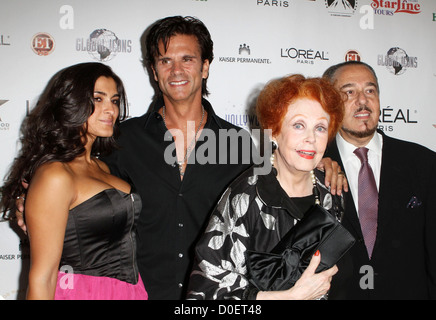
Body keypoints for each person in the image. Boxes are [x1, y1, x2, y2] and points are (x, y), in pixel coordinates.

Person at [14, 16, 346, 300]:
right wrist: (27, 204)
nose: (176, 69)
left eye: (187, 59)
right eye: (164, 60)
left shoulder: (245, 144)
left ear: (205, 67)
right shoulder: (121, 140)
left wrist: (323, 163)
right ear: (153, 72)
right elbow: (71, 178)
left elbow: (286, 180)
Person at [186, 74, 345, 300]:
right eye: (299, 125)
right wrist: (291, 297)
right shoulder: (245, 197)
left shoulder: (331, 192)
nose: (311, 138)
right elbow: (208, 293)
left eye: (320, 128)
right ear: (275, 130)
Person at [1, 62, 148, 300]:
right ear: (72, 103)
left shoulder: (102, 165)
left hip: (129, 292)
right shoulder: (55, 175)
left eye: (114, 100)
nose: (110, 109)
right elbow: (43, 277)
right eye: (98, 99)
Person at [322, 61, 436, 299]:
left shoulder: (424, 163)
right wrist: (315, 164)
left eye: (370, 90)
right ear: (330, 103)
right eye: (349, 92)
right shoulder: (314, 167)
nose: (362, 101)